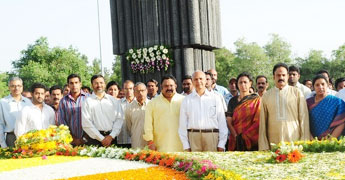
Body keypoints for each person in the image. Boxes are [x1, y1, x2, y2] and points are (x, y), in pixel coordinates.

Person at [259, 63, 310, 150]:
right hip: (273, 142)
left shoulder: (297, 93)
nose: (281, 78)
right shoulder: (266, 96)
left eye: (283, 75)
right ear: (273, 77)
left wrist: (304, 142)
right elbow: (263, 123)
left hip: (294, 141)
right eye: (278, 75)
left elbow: (303, 119)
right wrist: (264, 146)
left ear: (287, 77)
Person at [179, 71, 227, 152]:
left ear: (205, 81)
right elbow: (183, 124)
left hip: (212, 136)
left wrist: (221, 143)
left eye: (201, 79)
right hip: (193, 137)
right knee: (195, 164)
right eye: (196, 79)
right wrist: (186, 145)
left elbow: (222, 122)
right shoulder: (187, 100)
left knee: (212, 164)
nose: (198, 81)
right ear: (192, 82)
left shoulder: (215, 98)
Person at [143, 75, 185, 152]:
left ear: (175, 86)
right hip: (160, 146)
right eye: (166, 86)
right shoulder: (153, 103)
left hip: (182, 146)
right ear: (161, 86)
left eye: (171, 85)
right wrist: (150, 141)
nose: (169, 88)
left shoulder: (184, 101)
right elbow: (148, 125)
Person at [82, 75, 123, 147]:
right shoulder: (87, 102)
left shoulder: (113, 101)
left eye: (101, 83)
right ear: (92, 85)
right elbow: (86, 123)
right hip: (94, 140)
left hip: (112, 139)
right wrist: (101, 138)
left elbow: (119, 119)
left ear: (105, 84)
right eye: (96, 83)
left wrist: (111, 136)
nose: (99, 85)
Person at [226, 72, 261, 151]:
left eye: (245, 82)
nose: (243, 84)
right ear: (237, 84)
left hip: (252, 139)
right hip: (235, 138)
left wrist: (245, 136)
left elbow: (258, 121)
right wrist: (236, 136)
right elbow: (229, 121)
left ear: (250, 83)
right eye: (240, 82)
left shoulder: (256, 100)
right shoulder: (232, 101)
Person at [307, 75, 345, 139]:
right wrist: (312, 140)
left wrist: (331, 140)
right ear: (313, 87)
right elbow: (304, 122)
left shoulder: (338, 102)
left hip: (333, 141)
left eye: (323, 84)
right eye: (317, 85)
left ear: (327, 85)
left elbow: (341, 122)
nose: (320, 87)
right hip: (312, 140)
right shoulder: (308, 103)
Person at [57, 74, 88, 146]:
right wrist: (73, 139)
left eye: (76, 82)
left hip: (88, 140)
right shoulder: (63, 101)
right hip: (70, 141)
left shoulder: (88, 98)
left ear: (80, 84)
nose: (74, 85)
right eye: (71, 83)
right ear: (68, 85)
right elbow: (62, 122)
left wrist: (84, 138)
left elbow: (93, 119)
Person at [0, 77, 32, 148]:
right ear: (9, 87)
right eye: (13, 86)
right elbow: (0, 124)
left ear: (22, 87)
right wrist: (3, 144)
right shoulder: (2, 102)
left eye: (19, 86)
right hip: (11, 137)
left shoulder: (28, 102)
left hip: (27, 137)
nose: (16, 88)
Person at [125, 82, 149, 149]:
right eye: (138, 91)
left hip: (151, 143)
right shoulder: (129, 108)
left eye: (142, 91)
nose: (140, 93)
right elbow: (129, 127)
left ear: (146, 91)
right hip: (136, 143)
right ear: (134, 93)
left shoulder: (152, 105)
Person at [118, 80, 135, 148]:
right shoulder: (118, 103)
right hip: (122, 139)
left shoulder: (139, 103)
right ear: (123, 90)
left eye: (131, 88)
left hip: (136, 140)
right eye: (126, 89)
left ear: (134, 89)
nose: (128, 91)